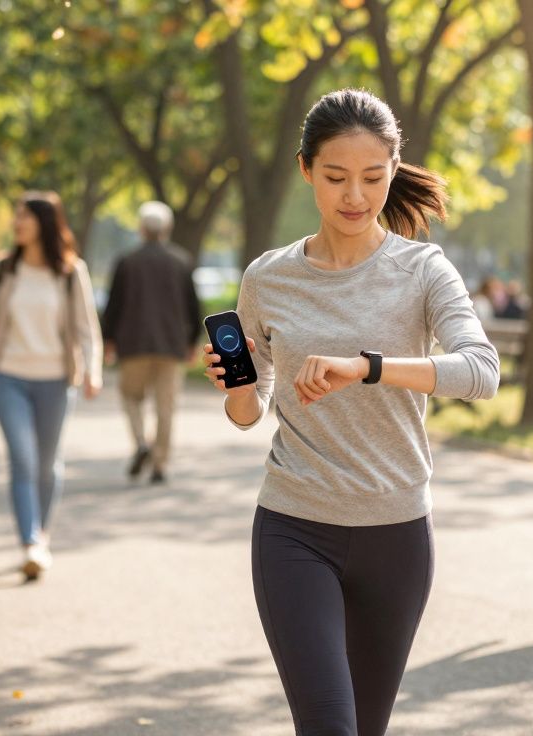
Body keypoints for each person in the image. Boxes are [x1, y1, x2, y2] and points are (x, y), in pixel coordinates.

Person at [202, 89, 499, 735]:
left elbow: (481, 372)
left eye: (372, 177)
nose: (355, 196)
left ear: (394, 169)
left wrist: (367, 366)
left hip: (396, 533)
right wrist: (237, 387)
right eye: (336, 177)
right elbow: (250, 413)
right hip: (294, 526)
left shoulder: (423, 270)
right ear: (306, 169)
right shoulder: (268, 278)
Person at [0, 192, 103, 580]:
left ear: (44, 223)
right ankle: (30, 540)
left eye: (25, 216)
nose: (17, 222)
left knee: (47, 464)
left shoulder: (69, 271)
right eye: (16, 215)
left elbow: (87, 330)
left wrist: (92, 371)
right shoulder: (2, 270)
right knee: (23, 459)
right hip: (8, 378)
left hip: (55, 381)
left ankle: (41, 536)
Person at [101, 201, 202, 484]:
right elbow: (193, 305)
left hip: (133, 345)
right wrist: (192, 340)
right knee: (165, 407)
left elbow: (113, 304)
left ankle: (140, 443)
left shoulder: (126, 261)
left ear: (141, 229)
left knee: (130, 397)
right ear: (167, 228)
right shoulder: (182, 261)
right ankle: (160, 465)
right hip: (171, 345)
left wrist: (108, 339)